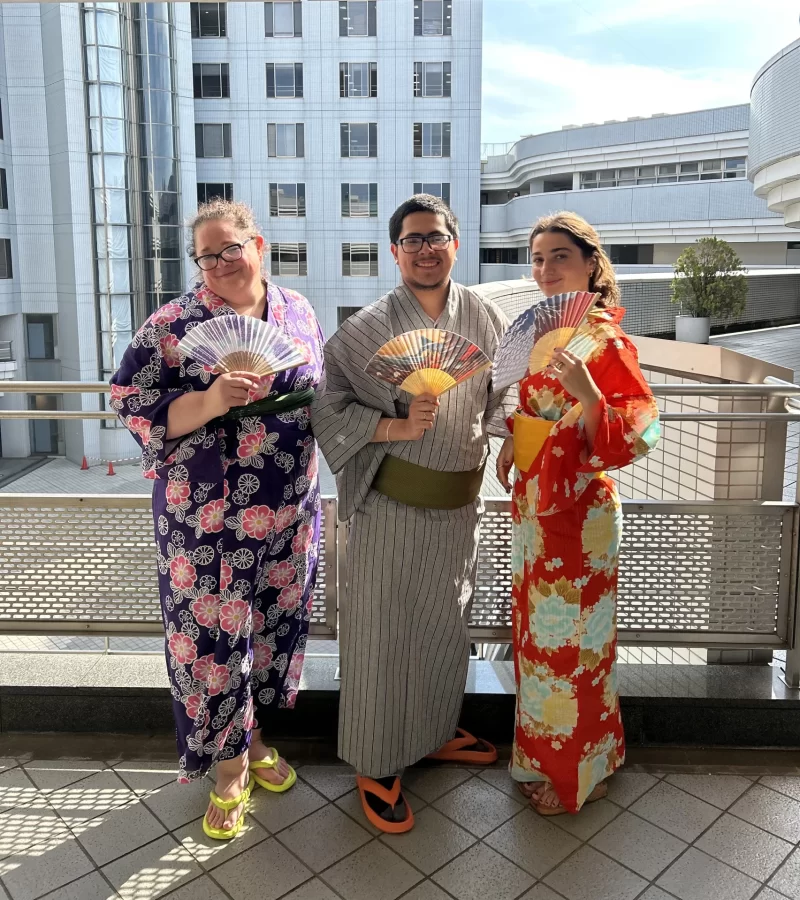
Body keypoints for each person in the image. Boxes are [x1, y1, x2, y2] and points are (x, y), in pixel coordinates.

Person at [110, 199, 324, 840]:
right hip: (206, 520)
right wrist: (208, 400)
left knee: (269, 628)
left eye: (231, 248)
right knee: (209, 640)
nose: (221, 263)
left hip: (288, 507)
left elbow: (320, 393)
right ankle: (228, 765)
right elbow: (131, 401)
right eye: (207, 255)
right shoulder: (171, 325)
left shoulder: (299, 311)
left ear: (257, 243)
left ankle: (253, 739)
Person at [312, 194, 516, 834]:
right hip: (391, 506)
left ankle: (430, 730)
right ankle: (376, 761)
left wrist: (510, 433)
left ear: (456, 244)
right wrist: (390, 428)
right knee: (380, 634)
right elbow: (325, 409)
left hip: (460, 506)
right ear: (394, 252)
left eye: (437, 236)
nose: (426, 248)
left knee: (442, 628)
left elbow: (505, 389)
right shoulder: (365, 328)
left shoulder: (482, 315)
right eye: (412, 239)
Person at [496, 212, 660, 817]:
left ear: (591, 263)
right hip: (538, 512)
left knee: (577, 647)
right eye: (537, 258)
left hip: (582, 517)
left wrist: (591, 395)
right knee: (540, 645)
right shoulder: (547, 335)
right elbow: (533, 406)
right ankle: (550, 756)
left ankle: (575, 775)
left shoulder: (605, 341)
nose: (545, 270)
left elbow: (638, 434)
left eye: (559, 256)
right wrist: (517, 435)